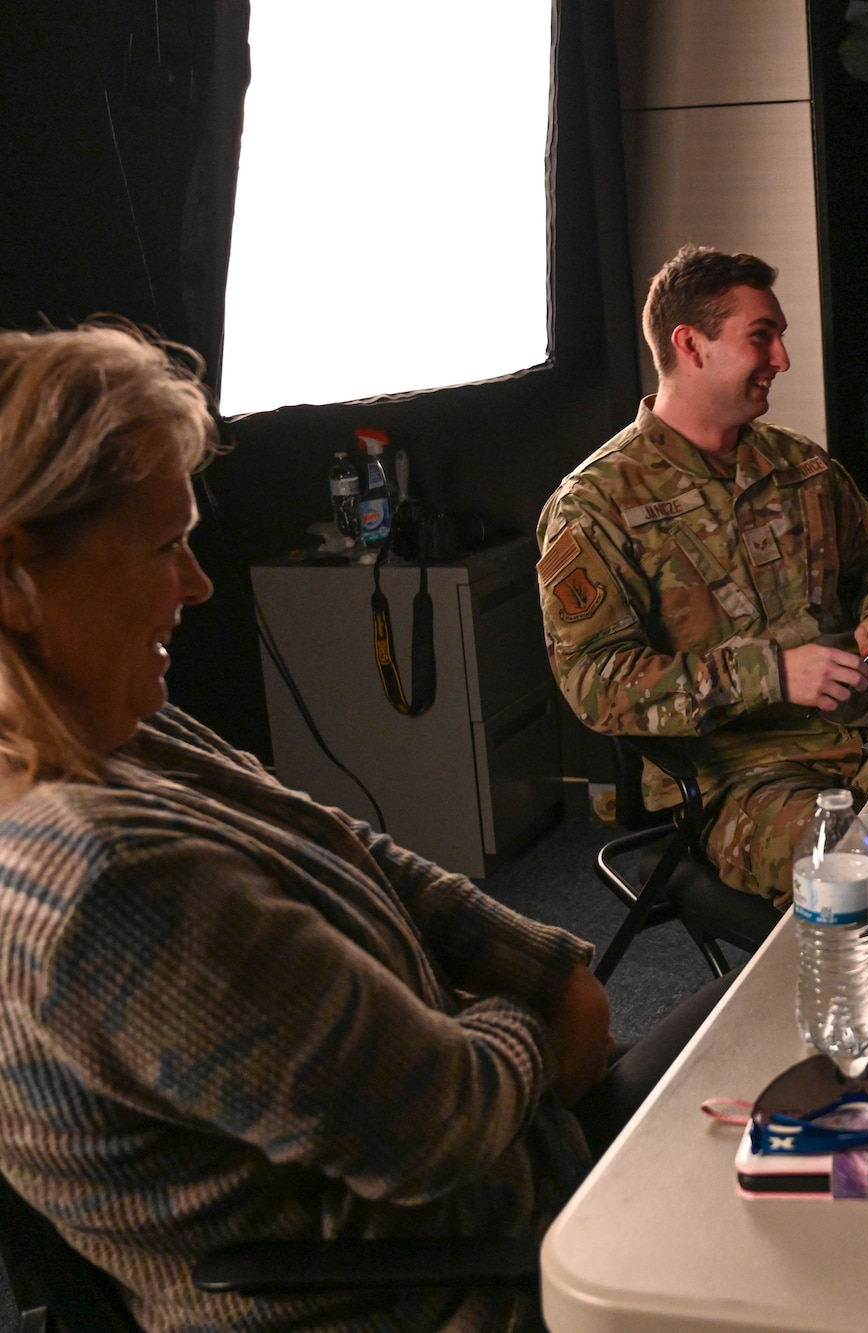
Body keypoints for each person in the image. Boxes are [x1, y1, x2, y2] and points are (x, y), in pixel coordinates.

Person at [0, 323, 725, 1333]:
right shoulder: (96, 879)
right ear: (15, 579)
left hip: (519, 1167)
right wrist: (538, 1023)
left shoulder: (115, 721)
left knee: (759, 1037)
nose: (198, 585)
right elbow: (441, 1125)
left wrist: (545, 969)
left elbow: (344, 841)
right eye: (166, 546)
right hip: (468, 1282)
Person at [537, 245, 868, 899]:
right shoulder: (596, 504)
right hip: (743, 773)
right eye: (762, 337)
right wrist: (771, 672)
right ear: (691, 344)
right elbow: (595, 685)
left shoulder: (800, 465)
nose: (782, 359)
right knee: (866, 878)